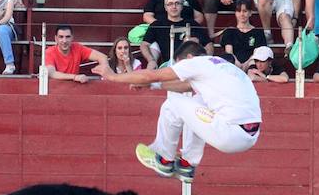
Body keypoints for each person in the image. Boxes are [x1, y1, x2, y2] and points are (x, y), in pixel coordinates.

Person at [94, 40, 262, 184]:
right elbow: (189, 86)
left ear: (188, 59)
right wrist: (155, 86)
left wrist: (113, 77)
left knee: (173, 102)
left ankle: (164, 158)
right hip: (249, 135)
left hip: (229, 132)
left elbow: (150, 75)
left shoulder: (195, 63)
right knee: (197, 102)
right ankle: (187, 165)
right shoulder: (219, 64)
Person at [141, 0, 211, 68]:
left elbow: (209, 45)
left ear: (182, 6)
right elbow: (144, 44)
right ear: (165, 7)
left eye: (177, 3)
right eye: (170, 4)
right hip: (168, 66)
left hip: (190, 65)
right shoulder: (157, 25)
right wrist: (151, 60)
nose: (174, 6)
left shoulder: (193, 24)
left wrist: (205, 61)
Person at [44, 24, 108, 83]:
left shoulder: (77, 48)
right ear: (56, 39)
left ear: (72, 38)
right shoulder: (49, 52)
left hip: (73, 88)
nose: (64, 41)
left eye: (67, 37)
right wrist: (75, 77)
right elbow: (51, 73)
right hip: (55, 89)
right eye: (61, 37)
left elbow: (102, 57)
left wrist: (105, 72)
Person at [221, 0, 266, 70]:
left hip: (251, 63)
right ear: (235, 13)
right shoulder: (229, 31)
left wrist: (247, 64)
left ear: (250, 13)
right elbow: (229, 52)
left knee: (254, 63)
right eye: (239, 11)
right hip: (234, 63)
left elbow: (257, 53)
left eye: (245, 11)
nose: (242, 14)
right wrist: (237, 63)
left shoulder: (258, 32)